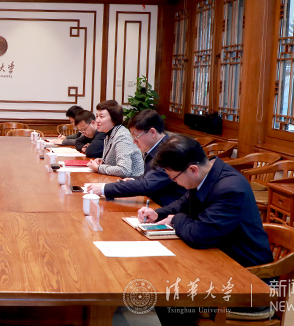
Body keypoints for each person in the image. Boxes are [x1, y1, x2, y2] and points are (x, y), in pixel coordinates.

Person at [138, 135, 273, 325]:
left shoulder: (230, 188)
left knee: (170, 293)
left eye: (174, 178)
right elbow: (183, 203)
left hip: (246, 279)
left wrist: (176, 219)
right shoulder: (207, 174)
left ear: (192, 169)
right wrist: (157, 214)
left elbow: (199, 235)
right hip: (218, 260)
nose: (174, 182)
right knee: (163, 278)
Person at [87, 109, 185, 207]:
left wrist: (104, 188)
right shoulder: (159, 148)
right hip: (153, 204)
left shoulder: (170, 152)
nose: (134, 142)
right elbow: (152, 176)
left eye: (136, 136)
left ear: (152, 132)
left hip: (166, 209)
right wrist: (133, 180)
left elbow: (147, 185)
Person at [87, 100, 143, 178]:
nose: (97, 120)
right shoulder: (110, 133)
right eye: (97, 116)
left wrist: (98, 168)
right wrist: (102, 160)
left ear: (114, 119)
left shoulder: (122, 136)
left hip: (132, 182)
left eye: (101, 116)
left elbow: (124, 170)